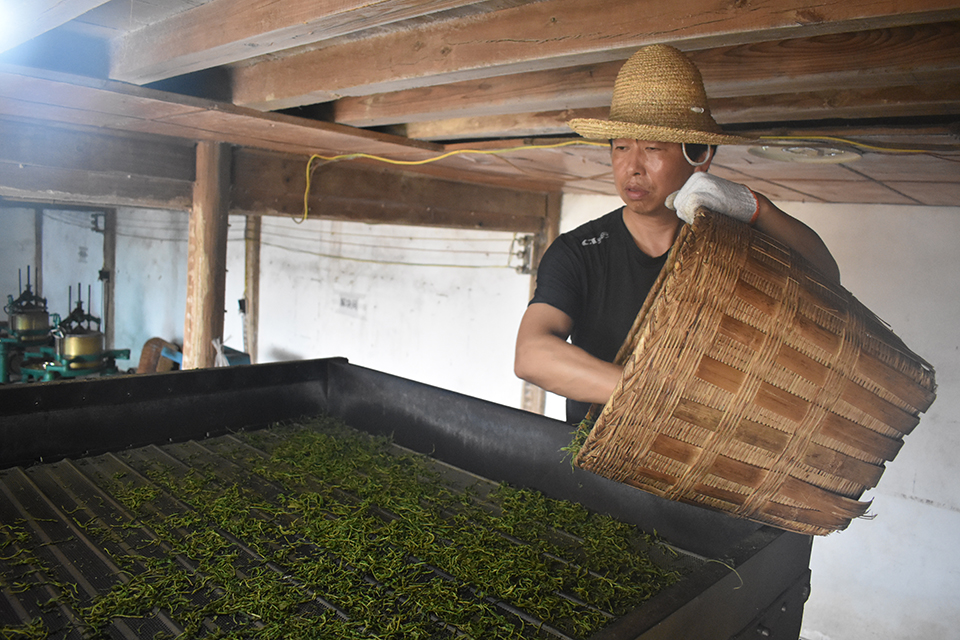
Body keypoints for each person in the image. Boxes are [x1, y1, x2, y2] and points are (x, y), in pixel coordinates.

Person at [514, 44, 839, 424]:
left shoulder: (731, 242)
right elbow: (532, 355)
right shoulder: (579, 253)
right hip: (602, 457)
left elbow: (825, 277)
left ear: (699, 155)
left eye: (652, 148)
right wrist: (654, 393)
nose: (632, 167)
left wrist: (758, 208)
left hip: (706, 454)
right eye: (620, 147)